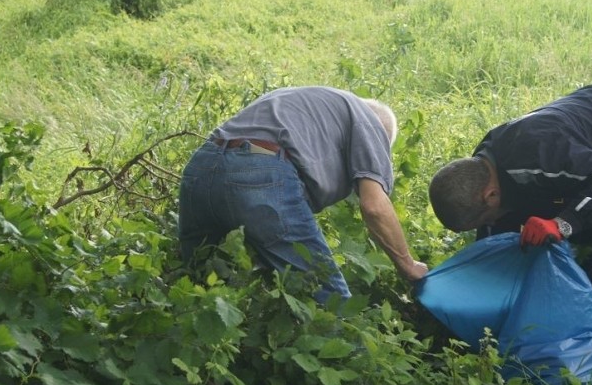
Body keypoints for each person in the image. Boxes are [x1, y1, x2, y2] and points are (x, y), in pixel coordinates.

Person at [428, 84, 592, 349]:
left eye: (485, 219)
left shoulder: (541, 154)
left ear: (490, 195)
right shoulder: (485, 168)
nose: (490, 224)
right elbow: (493, 243)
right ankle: (589, 336)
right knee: (589, 250)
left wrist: (562, 223)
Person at [179, 86, 428, 303]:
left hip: (201, 166)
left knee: (200, 283)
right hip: (259, 173)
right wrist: (408, 265)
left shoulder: (313, 103)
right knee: (328, 298)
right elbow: (374, 206)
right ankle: (342, 357)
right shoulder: (369, 121)